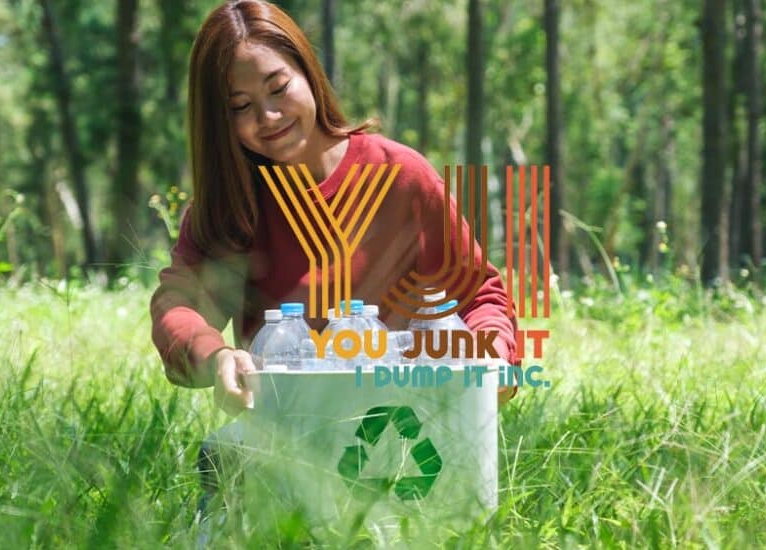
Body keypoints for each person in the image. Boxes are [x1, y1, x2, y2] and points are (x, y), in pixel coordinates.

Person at [148, 0, 520, 524]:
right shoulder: (230, 209)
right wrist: (215, 356)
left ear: (308, 73)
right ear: (218, 119)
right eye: (240, 106)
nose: (269, 117)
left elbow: (480, 296)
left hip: (411, 448)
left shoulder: (399, 177)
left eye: (279, 89)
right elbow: (178, 306)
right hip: (290, 454)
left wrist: (491, 354)